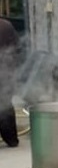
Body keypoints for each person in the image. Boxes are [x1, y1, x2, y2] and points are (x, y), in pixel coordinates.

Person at [0, 18, 22, 147]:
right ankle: (11, 139)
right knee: (6, 106)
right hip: (6, 74)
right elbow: (18, 49)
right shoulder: (6, 25)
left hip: (5, 73)